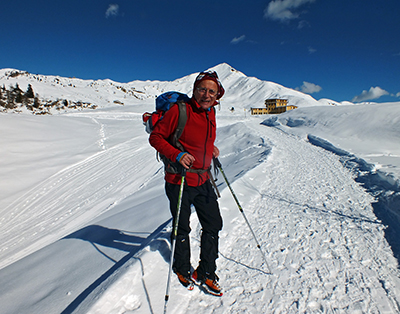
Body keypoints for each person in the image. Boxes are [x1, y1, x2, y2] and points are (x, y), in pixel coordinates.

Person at [149, 70, 225, 295]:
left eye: (211, 91)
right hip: (179, 179)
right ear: (194, 90)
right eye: (202, 89)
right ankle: (182, 267)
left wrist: (210, 149)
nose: (206, 94)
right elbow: (156, 137)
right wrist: (177, 155)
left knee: (213, 224)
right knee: (182, 226)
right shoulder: (179, 110)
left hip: (203, 179)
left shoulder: (211, 113)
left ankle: (206, 271)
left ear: (217, 95)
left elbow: (200, 139)